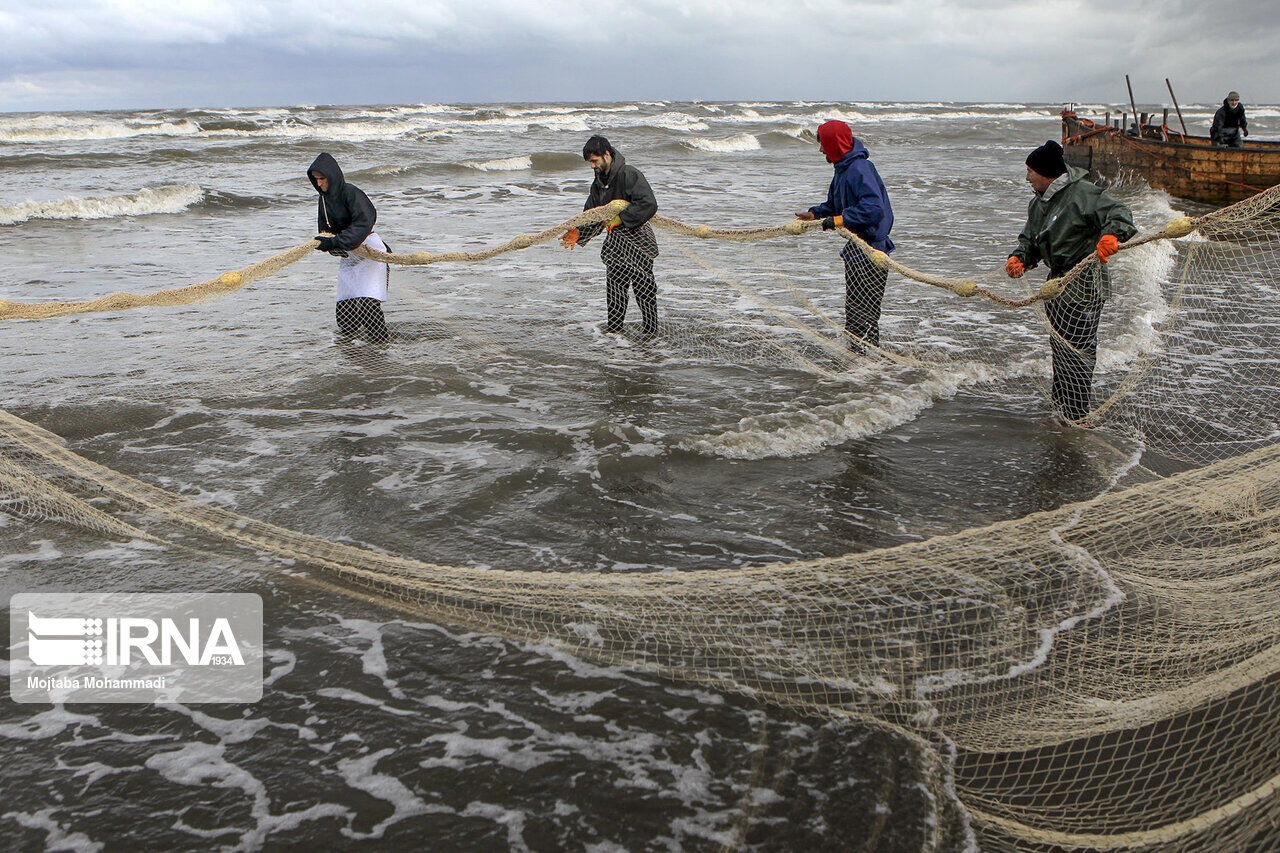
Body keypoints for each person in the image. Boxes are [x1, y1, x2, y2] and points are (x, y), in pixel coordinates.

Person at [1006, 140, 1137, 425]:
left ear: (1048, 174)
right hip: (1056, 286)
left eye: (1030, 171)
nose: (1027, 178)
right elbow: (1031, 241)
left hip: (1084, 283)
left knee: (1079, 351)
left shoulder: (1083, 193)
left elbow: (1120, 213)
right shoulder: (1038, 202)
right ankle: (1060, 405)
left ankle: (1078, 416)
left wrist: (1112, 235)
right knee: (1060, 348)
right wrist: (1019, 258)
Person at [795, 119, 895, 352]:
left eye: (823, 145)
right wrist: (815, 214)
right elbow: (835, 205)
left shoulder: (859, 169)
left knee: (864, 315)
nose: (821, 150)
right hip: (856, 249)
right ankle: (861, 364)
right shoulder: (843, 169)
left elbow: (873, 210)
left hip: (872, 251)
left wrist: (835, 221)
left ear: (835, 144)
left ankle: (869, 366)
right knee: (855, 313)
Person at [560, 136, 660, 338]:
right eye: (590, 162)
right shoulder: (598, 183)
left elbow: (648, 204)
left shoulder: (629, 174)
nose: (592, 166)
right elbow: (592, 215)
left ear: (607, 155)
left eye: (595, 161)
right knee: (615, 294)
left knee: (644, 292)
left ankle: (651, 337)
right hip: (615, 244)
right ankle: (614, 338)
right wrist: (578, 233)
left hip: (638, 240)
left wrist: (620, 219)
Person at [307, 152, 390, 344]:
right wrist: (326, 243)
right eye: (316, 180)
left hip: (370, 251)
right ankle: (350, 355)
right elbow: (326, 228)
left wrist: (336, 242)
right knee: (346, 313)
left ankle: (381, 350)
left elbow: (364, 222)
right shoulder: (324, 200)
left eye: (322, 179)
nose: (319, 184)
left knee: (369, 306)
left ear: (332, 176)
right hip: (348, 254)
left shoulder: (352, 193)